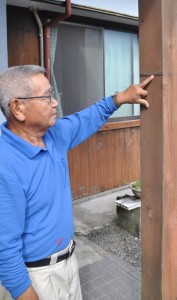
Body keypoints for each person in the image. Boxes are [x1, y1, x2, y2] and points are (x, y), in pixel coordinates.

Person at [0, 65, 154, 300]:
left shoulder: (53, 135)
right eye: (46, 96)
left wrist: (121, 98)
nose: (54, 102)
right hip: (37, 277)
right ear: (18, 108)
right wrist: (25, 293)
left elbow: (86, 118)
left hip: (69, 263)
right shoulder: (6, 163)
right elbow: (5, 247)